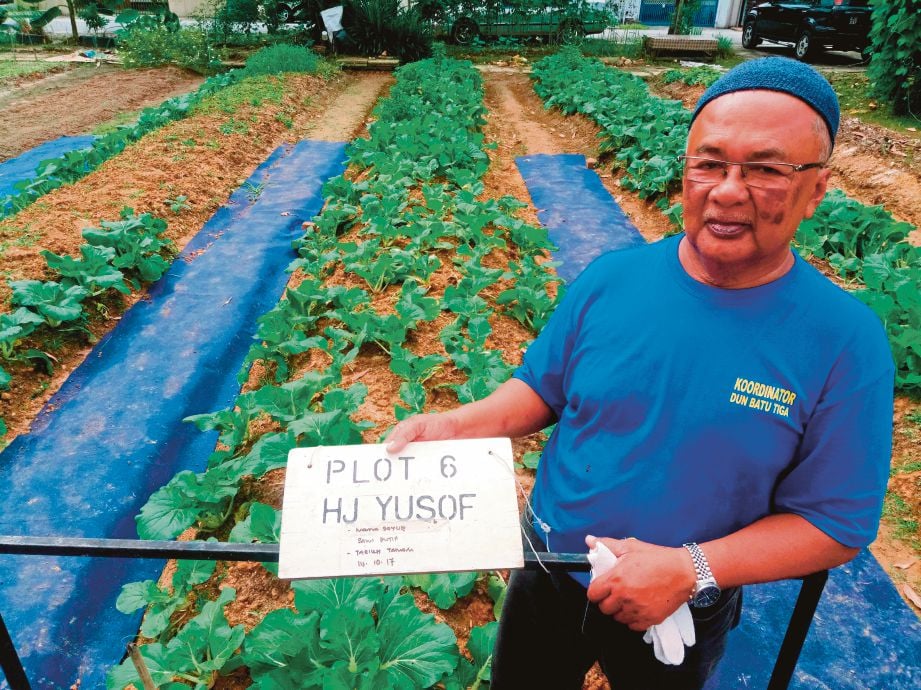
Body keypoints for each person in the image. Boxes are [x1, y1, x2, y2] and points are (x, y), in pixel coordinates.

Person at [386, 57, 894, 689]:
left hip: (681, 600)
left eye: (766, 169)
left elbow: (835, 523)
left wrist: (692, 569)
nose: (728, 190)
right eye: (709, 163)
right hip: (548, 564)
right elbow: (542, 388)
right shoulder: (612, 279)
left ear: (817, 189)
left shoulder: (845, 341)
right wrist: (458, 424)